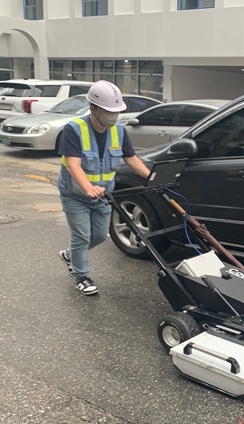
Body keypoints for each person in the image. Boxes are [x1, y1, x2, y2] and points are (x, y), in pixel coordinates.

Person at [57, 80, 150, 295]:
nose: (113, 116)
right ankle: (81, 276)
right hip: (75, 193)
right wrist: (88, 187)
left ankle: (71, 254)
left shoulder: (118, 130)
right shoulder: (74, 130)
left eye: (116, 111)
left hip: (104, 193)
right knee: (81, 236)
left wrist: (152, 177)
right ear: (93, 108)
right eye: (109, 111)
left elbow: (131, 158)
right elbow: (73, 165)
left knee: (99, 236)